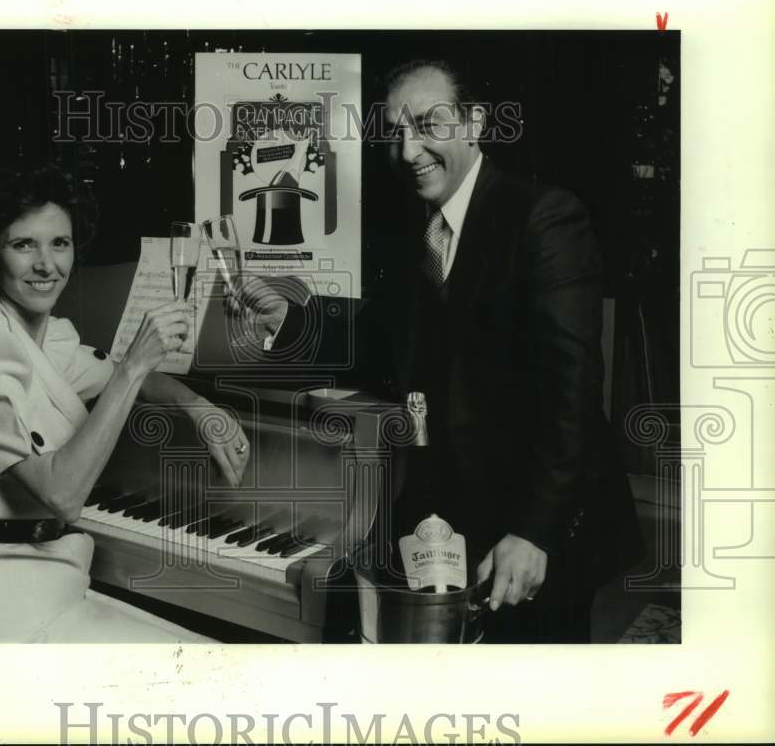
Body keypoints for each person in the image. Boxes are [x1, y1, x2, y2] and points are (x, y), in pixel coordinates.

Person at [251, 59, 644, 643]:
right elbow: (379, 339)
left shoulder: (543, 217)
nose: (409, 151)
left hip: (541, 525)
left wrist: (533, 532)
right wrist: (290, 321)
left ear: (474, 123)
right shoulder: (417, 230)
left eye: (428, 125)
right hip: (453, 519)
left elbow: (574, 391)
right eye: (396, 133)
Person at [0, 163, 250, 643]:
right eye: (23, 245)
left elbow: (120, 377)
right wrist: (135, 363)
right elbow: (64, 495)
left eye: (60, 243)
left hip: (53, 583)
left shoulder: (50, 338)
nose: (46, 264)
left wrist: (198, 406)